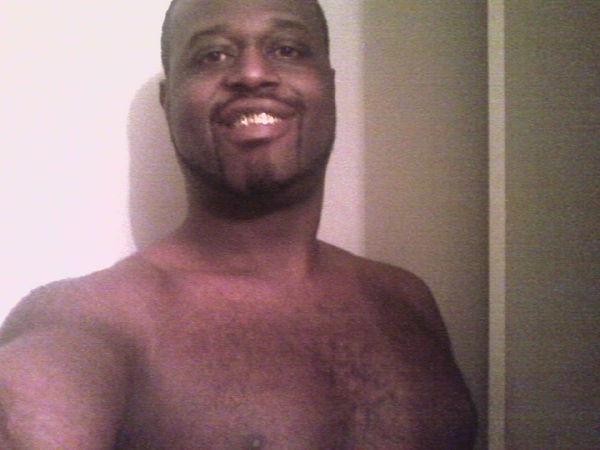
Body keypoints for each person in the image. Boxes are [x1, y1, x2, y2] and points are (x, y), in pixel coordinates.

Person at [0, 0, 477, 448]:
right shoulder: (90, 319)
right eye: (212, 55)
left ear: (329, 85)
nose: (252, 73)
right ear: (169, 100)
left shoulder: (407, 299)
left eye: (287, 49)